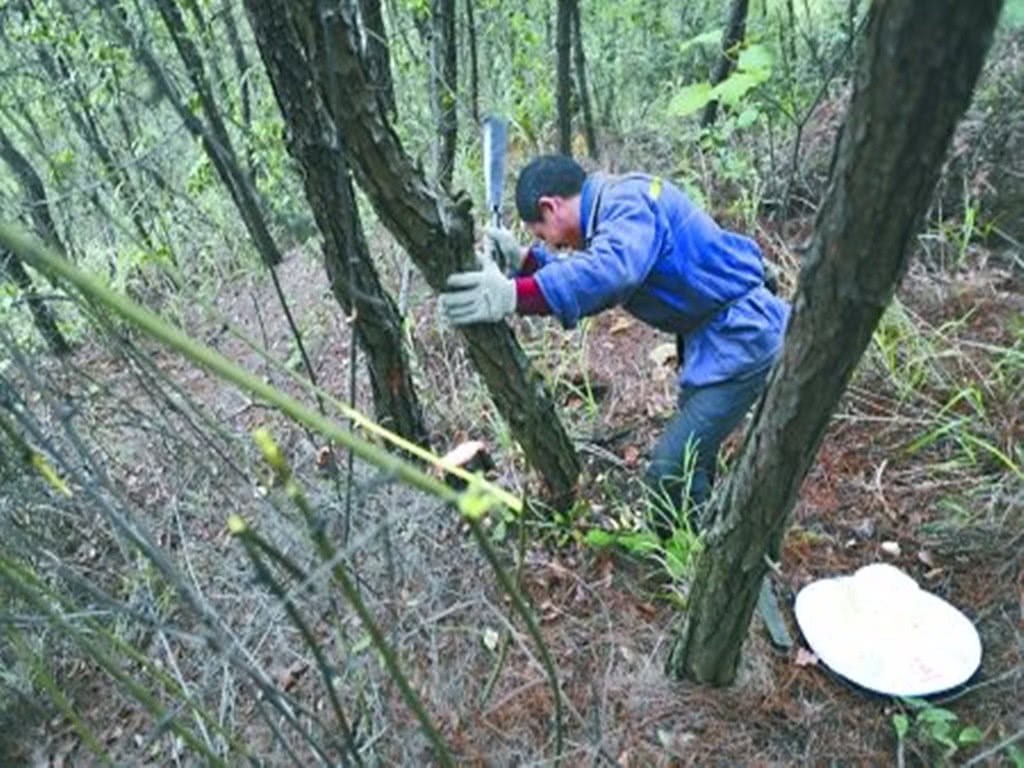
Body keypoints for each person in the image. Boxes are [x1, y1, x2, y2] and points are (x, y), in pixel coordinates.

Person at [439, 154, 790, 535]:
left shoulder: (626, 203)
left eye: (543, 236)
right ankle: (703, 546)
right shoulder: (614, 203)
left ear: (550, 206)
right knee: (693, 465)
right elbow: (596, 263)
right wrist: (526, 262)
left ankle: (715, 574)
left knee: (671, 472)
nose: (553, 247)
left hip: (743, 339)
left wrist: (512, 295)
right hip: (719, 341)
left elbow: (611, 270)